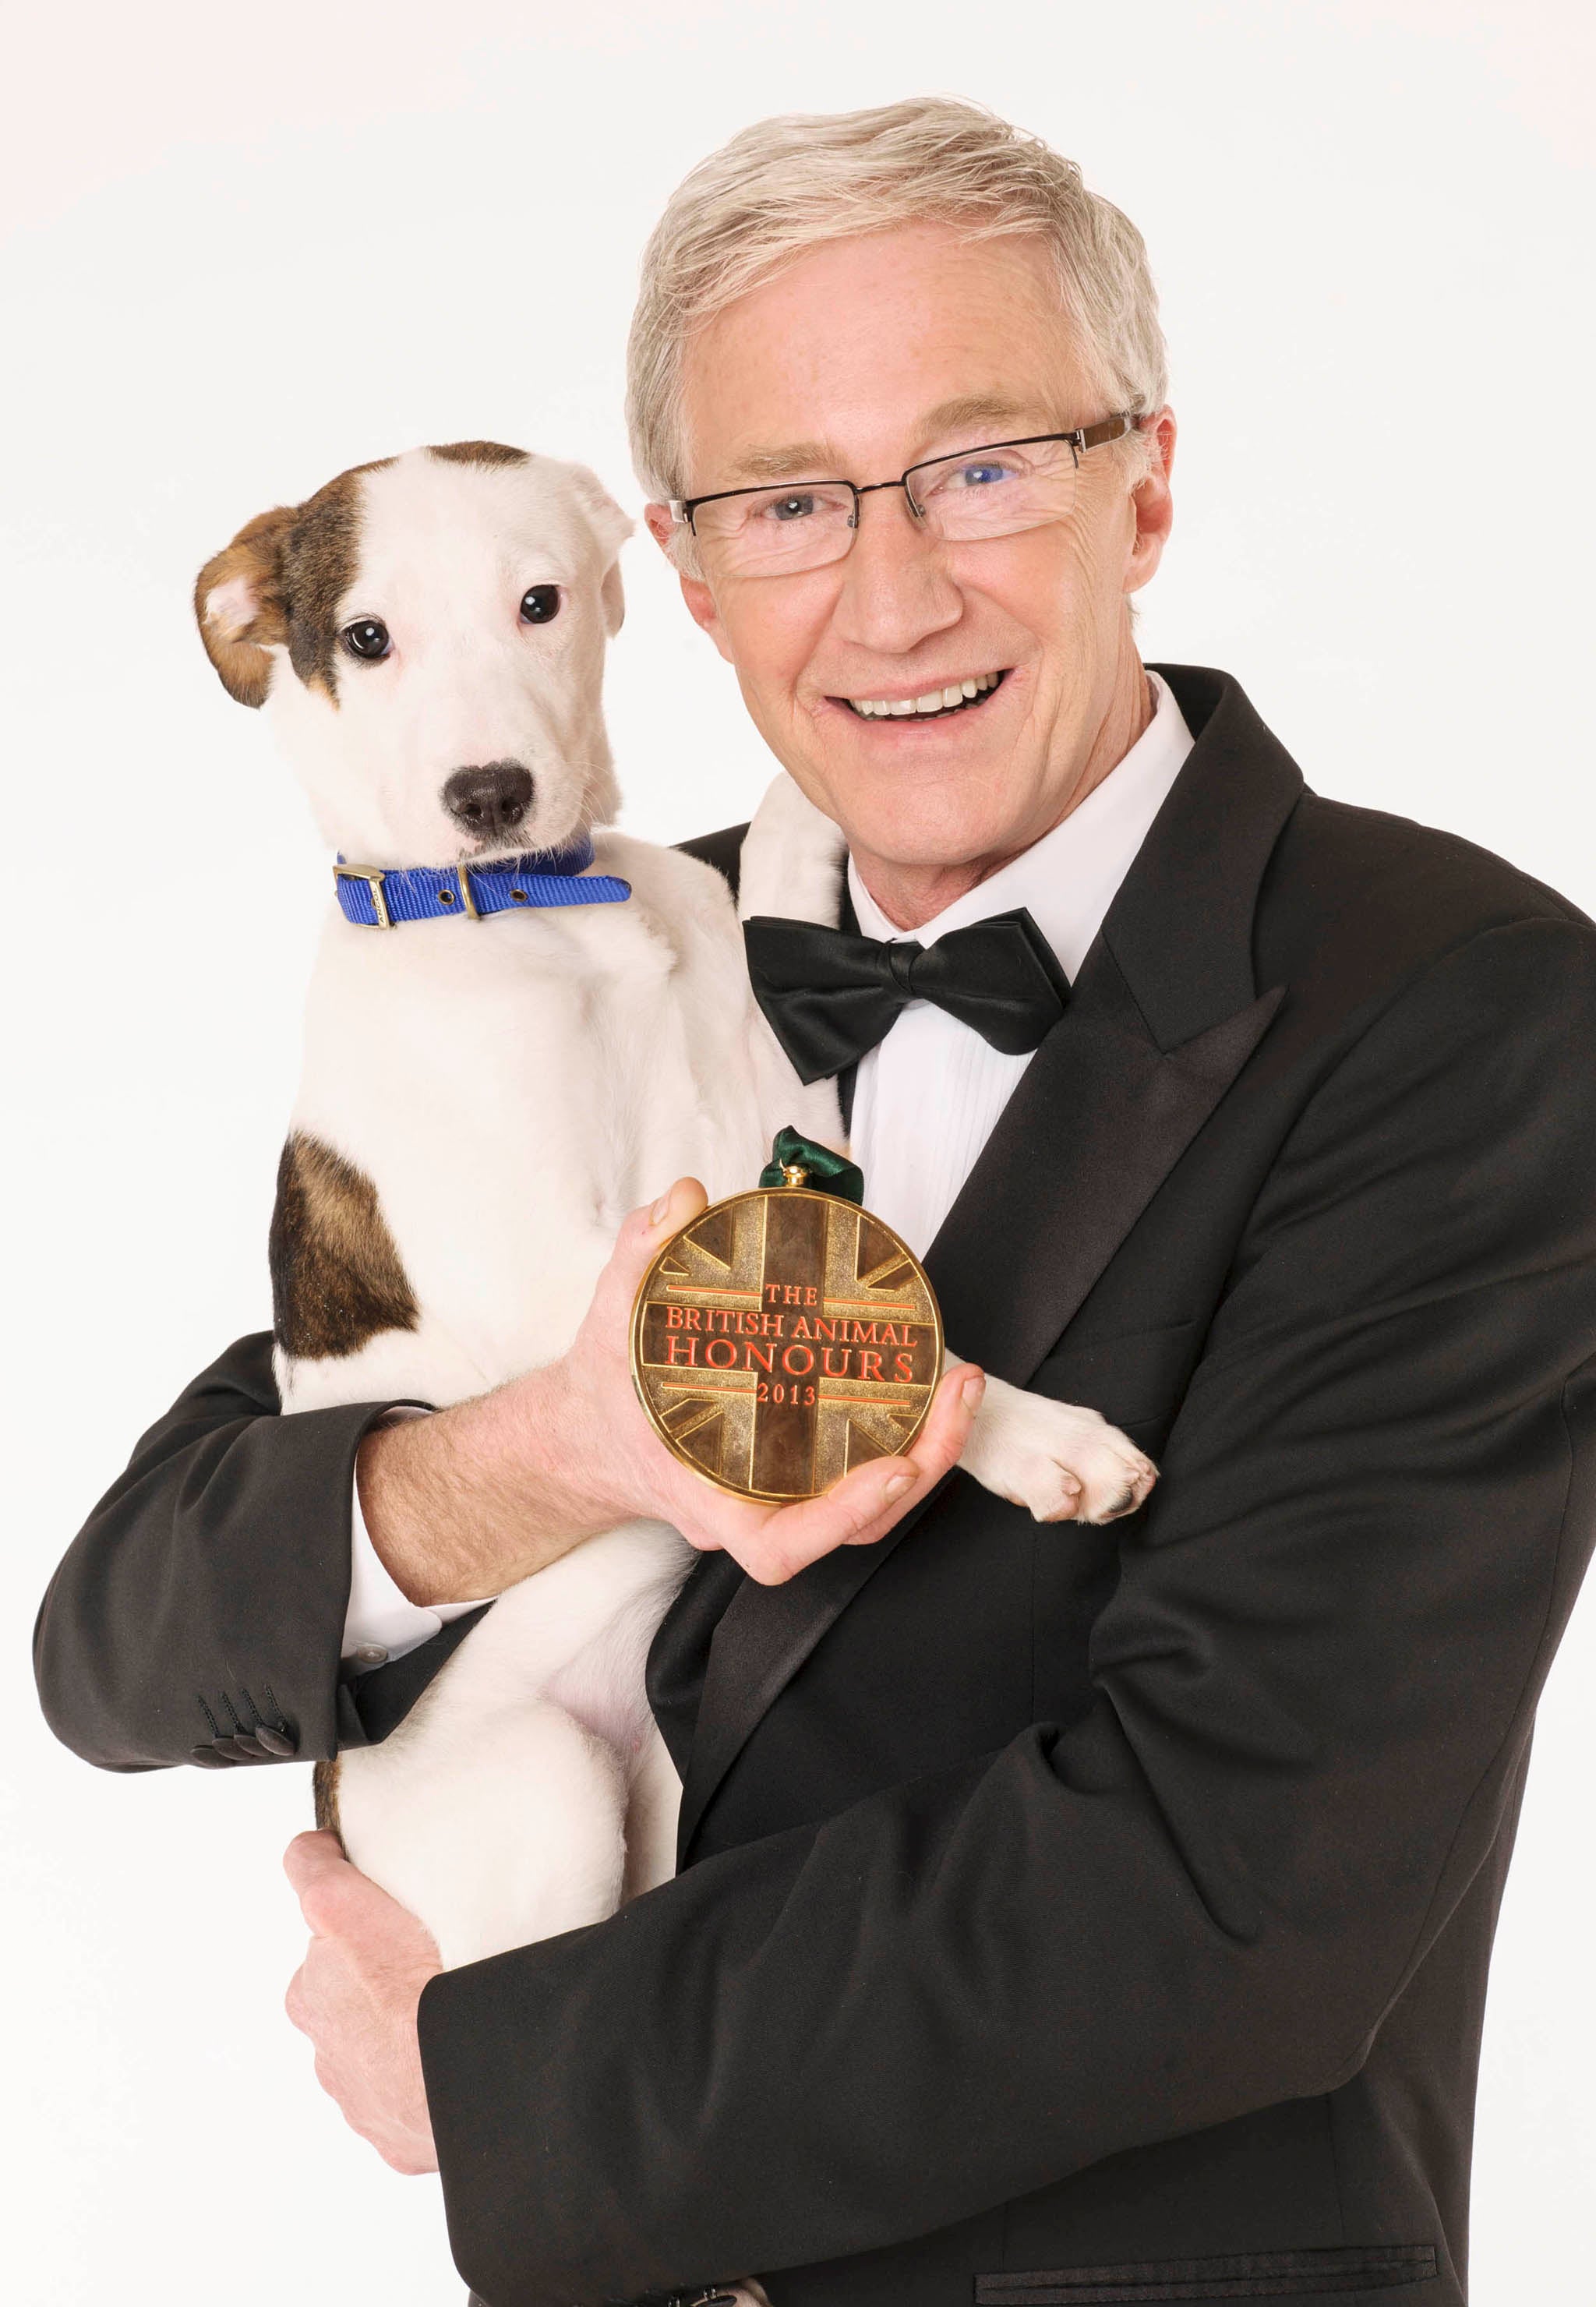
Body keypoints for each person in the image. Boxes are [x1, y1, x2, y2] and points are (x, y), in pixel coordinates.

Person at [34, 97, 1596, 2307]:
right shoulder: (607, 948)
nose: (890, 593)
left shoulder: (1460, 1007)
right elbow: (121, 1634)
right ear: (680, 569)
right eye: (789, 501)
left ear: (1143, 480)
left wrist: (506, 2078)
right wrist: (521, 1462)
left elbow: (1243, 1887)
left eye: (981, 467)